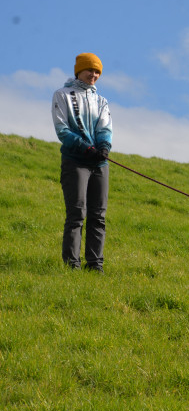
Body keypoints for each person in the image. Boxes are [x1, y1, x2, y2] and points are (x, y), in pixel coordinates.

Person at [52, 52, 113, 272]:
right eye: (90, 70)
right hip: (75, 161)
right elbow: (62, 129)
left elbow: (105, 128)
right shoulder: (63, 95)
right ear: (79, 70)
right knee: (77, 214)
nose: (94, 75)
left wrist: (104, 147)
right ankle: (72, 265)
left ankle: (95, 265)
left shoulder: (102, 101)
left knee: (99, 216)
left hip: (99, 165)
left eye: (97, 72)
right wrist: (84, 147)